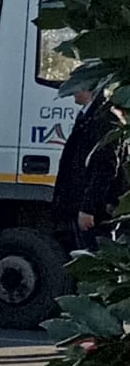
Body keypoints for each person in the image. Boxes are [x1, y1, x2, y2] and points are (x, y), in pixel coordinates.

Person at [52, 89, 127, 252]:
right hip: (81, 204)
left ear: (89, 88)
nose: (71, 90)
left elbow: (104, 168)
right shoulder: (90, 116)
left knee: (95, 259)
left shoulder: (104, 119)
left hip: (94, 212)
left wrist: (88, 208)